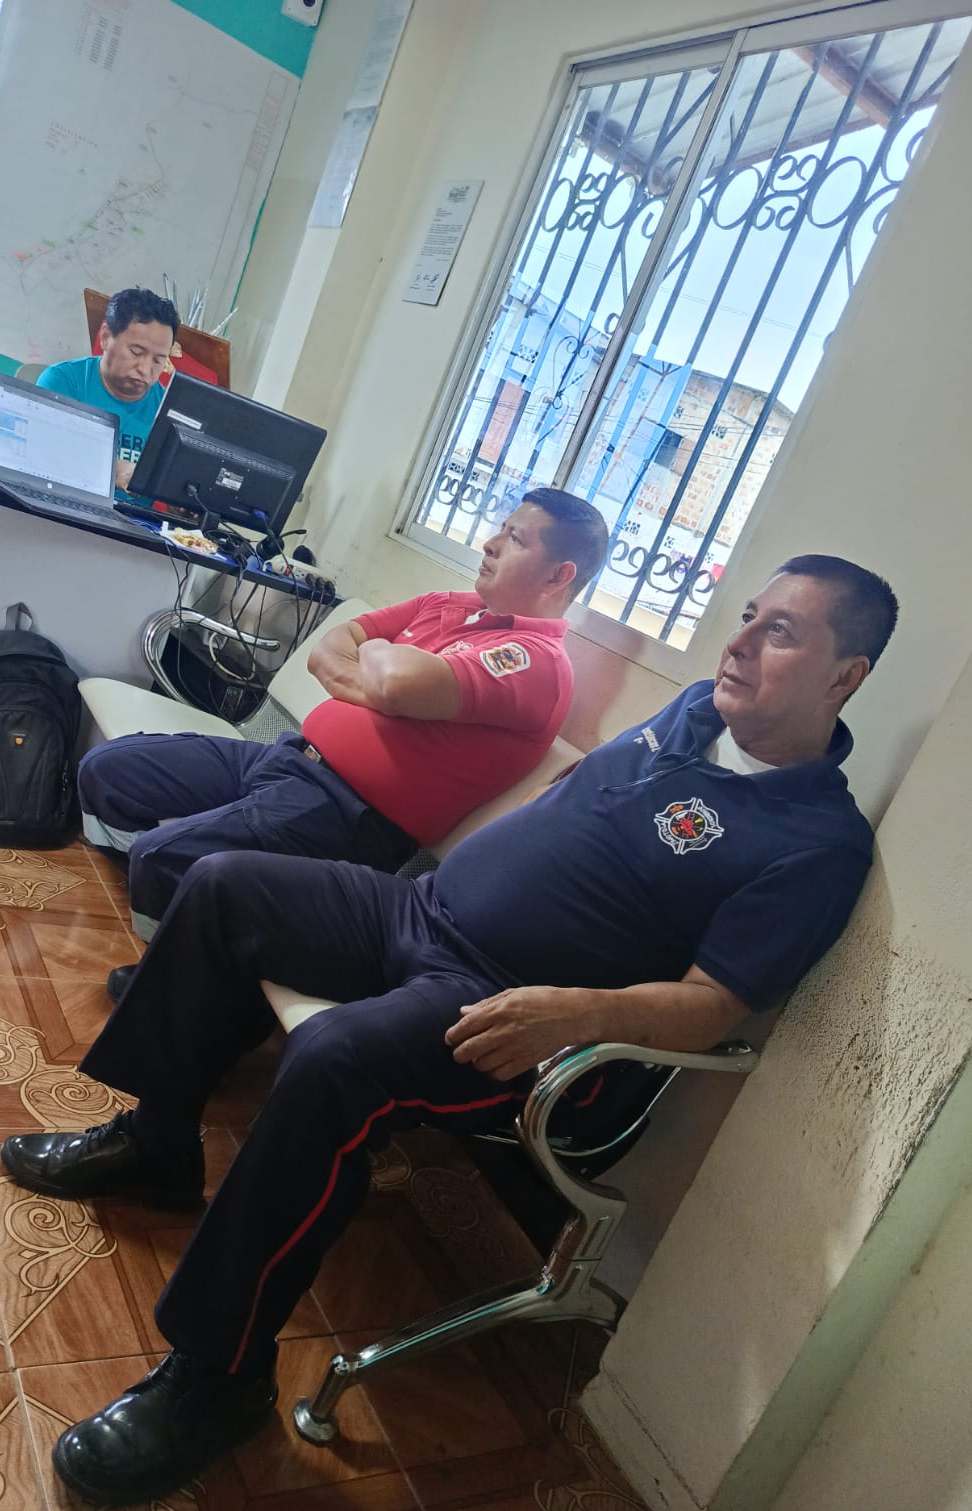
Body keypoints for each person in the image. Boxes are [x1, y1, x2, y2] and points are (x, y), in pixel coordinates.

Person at [0, 552, 898, 1508]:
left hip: (519, 1010)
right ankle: (158, 1143)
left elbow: (715, 1005)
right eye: (749, 615)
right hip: (421, 913)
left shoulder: (817, 844)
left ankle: (219, 1376)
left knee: (333, 1058)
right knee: (225, 886)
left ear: (846, 676)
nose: (741, 642)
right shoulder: (693, 714)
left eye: (780, 632)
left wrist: (578, 1009)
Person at [80, 488, 609, 989]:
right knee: (107, 769)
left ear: (559, 575)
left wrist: (382, 661)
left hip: (345, 815)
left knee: (162, 854)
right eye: (501, 528)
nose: (490, 544)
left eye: (515, 539)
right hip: (288, 757)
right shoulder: (448, 603)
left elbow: (393, 680)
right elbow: (328, 650)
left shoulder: (534, 661)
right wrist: (380, 678)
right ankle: (179, 921)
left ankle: (173, 973)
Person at [37, 286, 179, 490]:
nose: (145, 369)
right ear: (105, 337)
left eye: (158, 360)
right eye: (136, 352)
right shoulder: (64, 381)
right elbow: (45, 451)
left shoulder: (167, 411)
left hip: (132, 512)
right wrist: (116, 470)